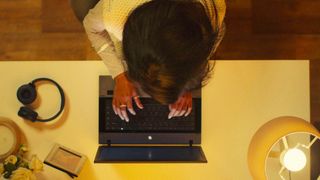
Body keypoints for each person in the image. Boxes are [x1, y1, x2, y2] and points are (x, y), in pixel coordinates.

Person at [83, 0, 226, 122]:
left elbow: (216, 34)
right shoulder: (114, 13)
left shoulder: (212, 11)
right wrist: (119, 75)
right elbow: (91, 27)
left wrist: (181, 82)